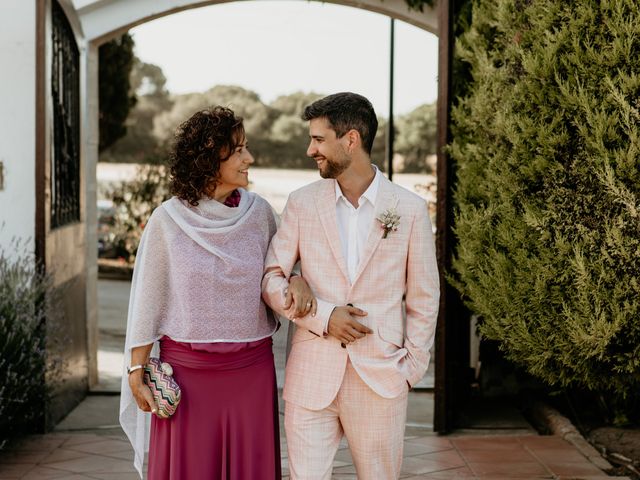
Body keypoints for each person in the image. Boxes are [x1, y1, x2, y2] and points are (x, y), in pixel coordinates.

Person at [119, 106, 315, 479]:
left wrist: (299, 277)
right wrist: (135, 370)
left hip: (250, 374)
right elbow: (149, 299)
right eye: (238, 150)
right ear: (211, 158)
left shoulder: (260, 213)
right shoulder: (167, 220)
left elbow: (281, 269)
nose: (249, 159)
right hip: (187, 378)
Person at [262, 92, 440, 479]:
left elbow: (425, 297)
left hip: (381, 377)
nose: (311, 149)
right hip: (311, 378)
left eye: (319, 139)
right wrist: (323, 316)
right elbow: (270, 278)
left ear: (351, 139)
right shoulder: (302, 203)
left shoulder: (408, 209)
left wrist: (411, 367)